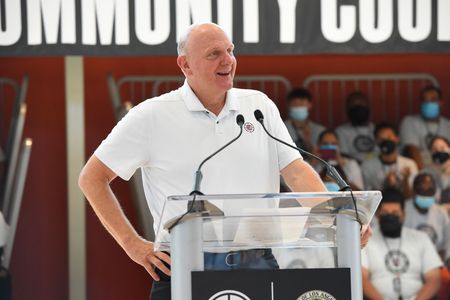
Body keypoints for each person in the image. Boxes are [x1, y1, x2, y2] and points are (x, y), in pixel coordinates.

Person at [79, 23, 372, 300]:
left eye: (230, 51)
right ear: (185, 65)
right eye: (214, 54)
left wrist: (332, 218)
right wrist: (132, 244)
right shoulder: (151, 116)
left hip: (257, 263)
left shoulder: (258, 107)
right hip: (183, 264)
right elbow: (92, 178)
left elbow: (295, 170)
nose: (228, 61)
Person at [362, 188, 442, 300]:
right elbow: (362, 278)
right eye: (385, 213)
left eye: (395, 213)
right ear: (378, 215)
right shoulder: (366, 239)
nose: (390, 217)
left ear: (403, 215)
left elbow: (434, 279)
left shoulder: (421, 238)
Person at [361, 122, 418, 198]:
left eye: (389, 137)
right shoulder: (368, 165)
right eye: (381, 139)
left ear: (397, 139)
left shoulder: (409, 164)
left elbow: (410, 197)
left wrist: (405, 180)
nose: (386, 141)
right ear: (376, 142)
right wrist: (386, 185)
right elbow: (368, 196)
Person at [400, 85, 450, 169]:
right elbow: (412, 150)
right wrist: (424, 173)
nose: (429, 103)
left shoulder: (448, 125)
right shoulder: (410, 121)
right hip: (421, 168)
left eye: (433, 100)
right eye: (425, 100)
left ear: (441, 103)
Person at [404, 173, 450, 260]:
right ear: (413, 191)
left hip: (436, 261)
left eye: (430, 191)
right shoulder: (403, 210)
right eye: (421, 191)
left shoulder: (441, 213)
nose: (425, 195)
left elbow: (448, 240)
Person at [335, 91, 377, 164]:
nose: (359, 108)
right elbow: (343, 154)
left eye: (362, 104)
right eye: (354, 105)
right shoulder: (341, 131)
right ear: (348, 109)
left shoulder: (376, 129)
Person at [283, 88, 325, 155]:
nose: (298, 106)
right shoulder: (282, 128)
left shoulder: (320, 130)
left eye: (301, 103)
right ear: (288, 106)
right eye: (294, 104)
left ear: (310, 105)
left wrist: (308, 142)